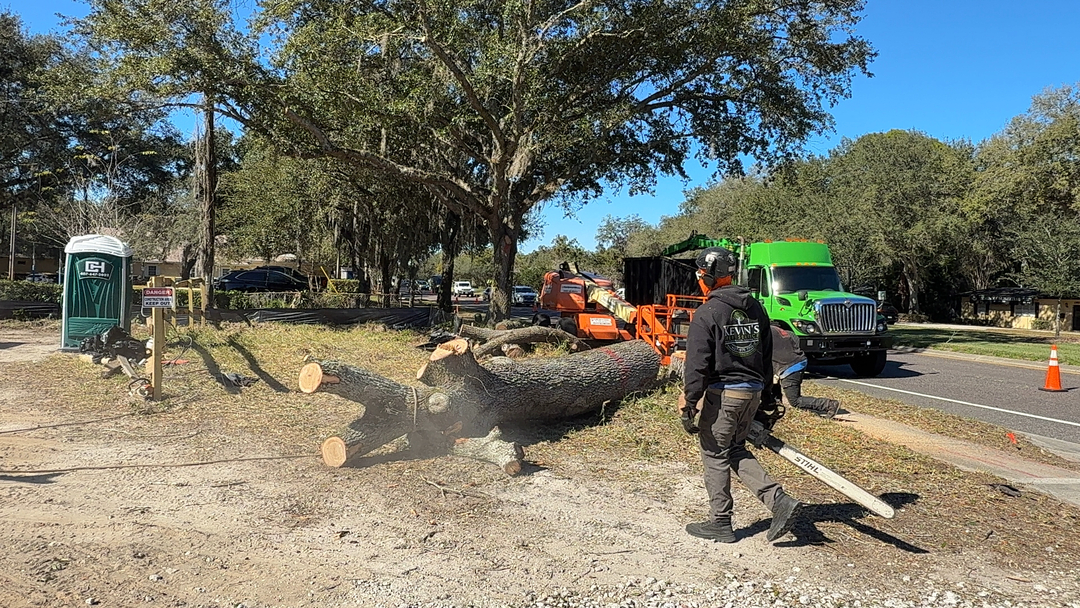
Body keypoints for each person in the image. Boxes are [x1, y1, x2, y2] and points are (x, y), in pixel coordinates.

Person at [680, 247, 801, 544]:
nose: (698, 279)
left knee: (714, 453)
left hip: (724, 396)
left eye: (699, 274)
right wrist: (767, 397)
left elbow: (697, 363)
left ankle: (720, 522)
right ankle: (779, 501)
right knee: (734, 450)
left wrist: (690, 401)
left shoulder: (707, 313)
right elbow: (766, 354)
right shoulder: (756, 307)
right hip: (752, 393)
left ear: (708, 276)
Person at [770, 323, 840, 419]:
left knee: (795, 401)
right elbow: (796, 339)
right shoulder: (780, 331)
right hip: (799, 360)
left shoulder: (764, 334)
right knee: (772, 385)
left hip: (790, 367)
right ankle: (776, 406)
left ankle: (828, 405)